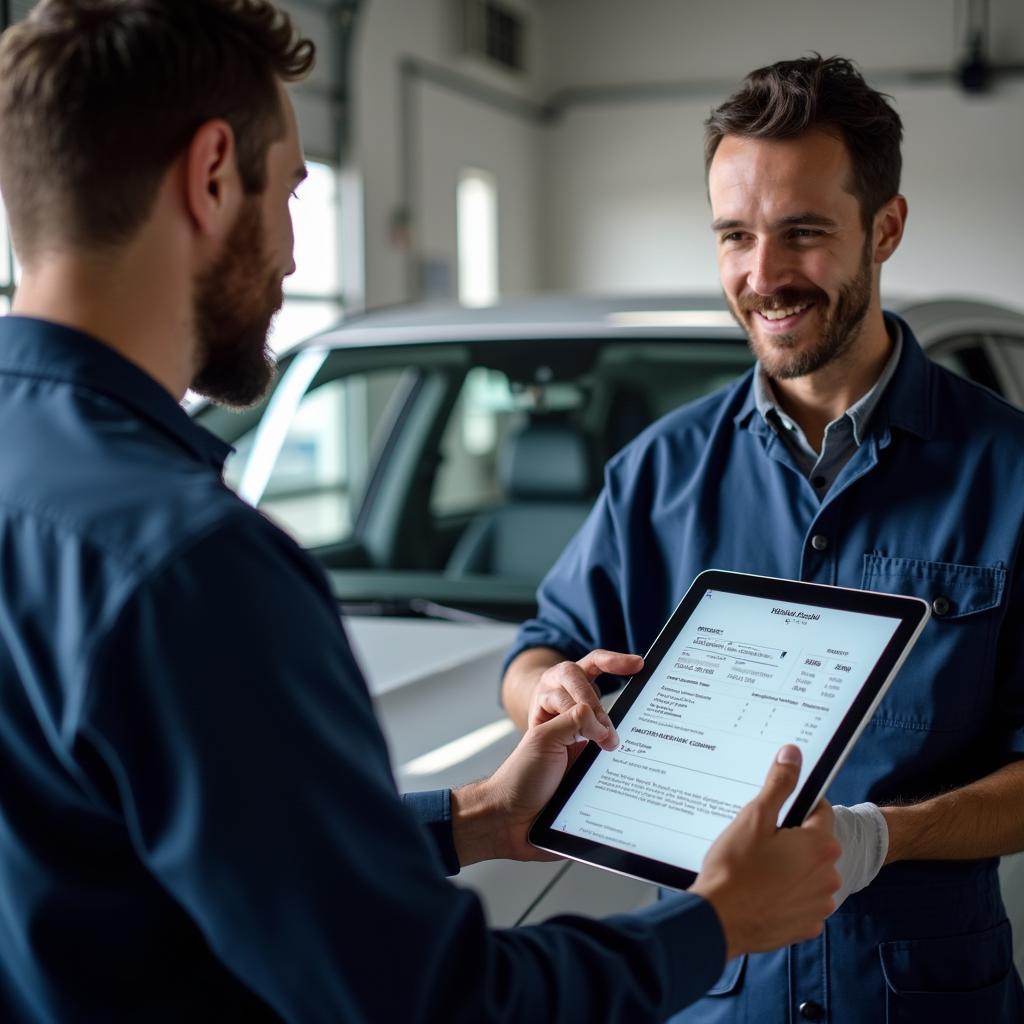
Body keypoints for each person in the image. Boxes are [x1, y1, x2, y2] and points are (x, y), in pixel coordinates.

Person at [0, 3, 841, 1021]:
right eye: (295, 193)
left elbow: (163, 853)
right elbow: (430, 1001)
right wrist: (714, 922)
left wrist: (478, 815)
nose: (293, 258)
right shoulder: (189, 562)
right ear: (214, 173)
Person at [502, 55, 1024, 1023]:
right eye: (734, 236)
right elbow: (537, 644)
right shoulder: (656, 472)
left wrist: (882, 836)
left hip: (922, 1000)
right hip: (712, 996)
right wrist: (551, 688)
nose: (762, 275)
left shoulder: (1010, 472)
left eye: (802, 233)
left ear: (886, 227)